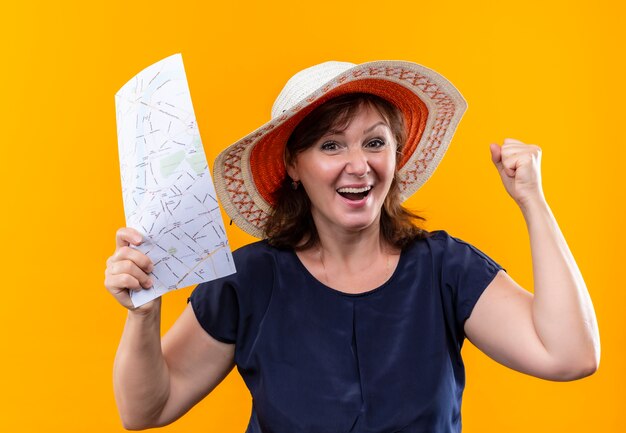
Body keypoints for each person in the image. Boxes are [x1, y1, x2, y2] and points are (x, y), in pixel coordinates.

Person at [104, 61, 600, 432]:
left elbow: (570, 356)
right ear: (292, 167)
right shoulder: (250, 280)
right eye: (331, 146)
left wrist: (532, 201)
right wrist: (143, 314)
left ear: (397, 154)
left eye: (375, 142)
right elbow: (145, 409)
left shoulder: (445, 269)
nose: (359, 165)